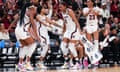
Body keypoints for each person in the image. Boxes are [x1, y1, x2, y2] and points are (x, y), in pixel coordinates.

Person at [15, 3, 38, 71]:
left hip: (18, 31)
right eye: (33, 8)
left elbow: (27, 28)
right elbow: (33, 25)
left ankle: (20, 64)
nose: (35, 9)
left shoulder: (23, 12)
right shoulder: (29, 13)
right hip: (21, 31)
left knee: (25, 46)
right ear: (30, 8)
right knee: (33, 44)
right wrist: (36, 36)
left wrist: (9, 28)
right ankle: (27, 62)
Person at [59, 2, 82, 69]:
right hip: (68, 31)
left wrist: (79, 30)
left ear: (65, 6)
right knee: (62, 46)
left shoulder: (69, 11)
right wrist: (63, 31)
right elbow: (65, 22)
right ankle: (67, 62)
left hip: (74, 30)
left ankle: (78, 63)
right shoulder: (62, 13)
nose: (60, 8)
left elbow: (76, 21)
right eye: (59, 7)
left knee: (71, 46)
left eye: (61, 7)